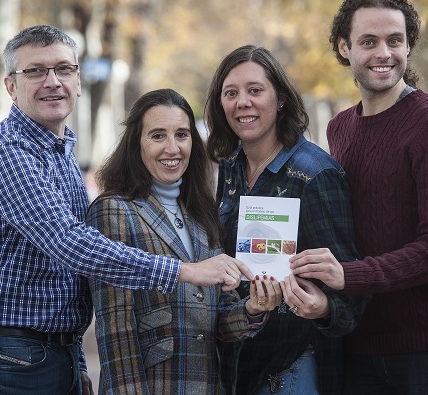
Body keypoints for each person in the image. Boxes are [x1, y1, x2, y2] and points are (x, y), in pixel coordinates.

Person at [0, 25, 253, 395]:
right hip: (10, 356)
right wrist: (186, 271)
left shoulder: (58, 152)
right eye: (35, 71)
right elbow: (71, 244)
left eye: (63, 69)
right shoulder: (8, 154)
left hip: (55, 349)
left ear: (78, 81)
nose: (52, 81)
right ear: (11, 87)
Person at [290, 0, 428, 394]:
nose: (384, 53)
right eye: (368, 42)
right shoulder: (340, 128)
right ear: (344, 47)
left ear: (409, 46)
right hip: (359, 342)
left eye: (395, 41)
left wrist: (349, 275)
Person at [86, 88, 282, 394]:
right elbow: (116, 329)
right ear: (137, 142)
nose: (172, 148)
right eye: (158, 135)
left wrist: (252, 309)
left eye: (181, 134)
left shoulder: (202, 214)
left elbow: (220, 320)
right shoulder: (114, 210)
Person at [204, 45, 369, 395]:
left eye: (255, 91)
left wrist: (323, 306)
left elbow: (351, 279)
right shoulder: (230, 167)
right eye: (230, 93)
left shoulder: (314, 174)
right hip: (240, 361)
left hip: (291, 365)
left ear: (280, 99)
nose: (242, 102)